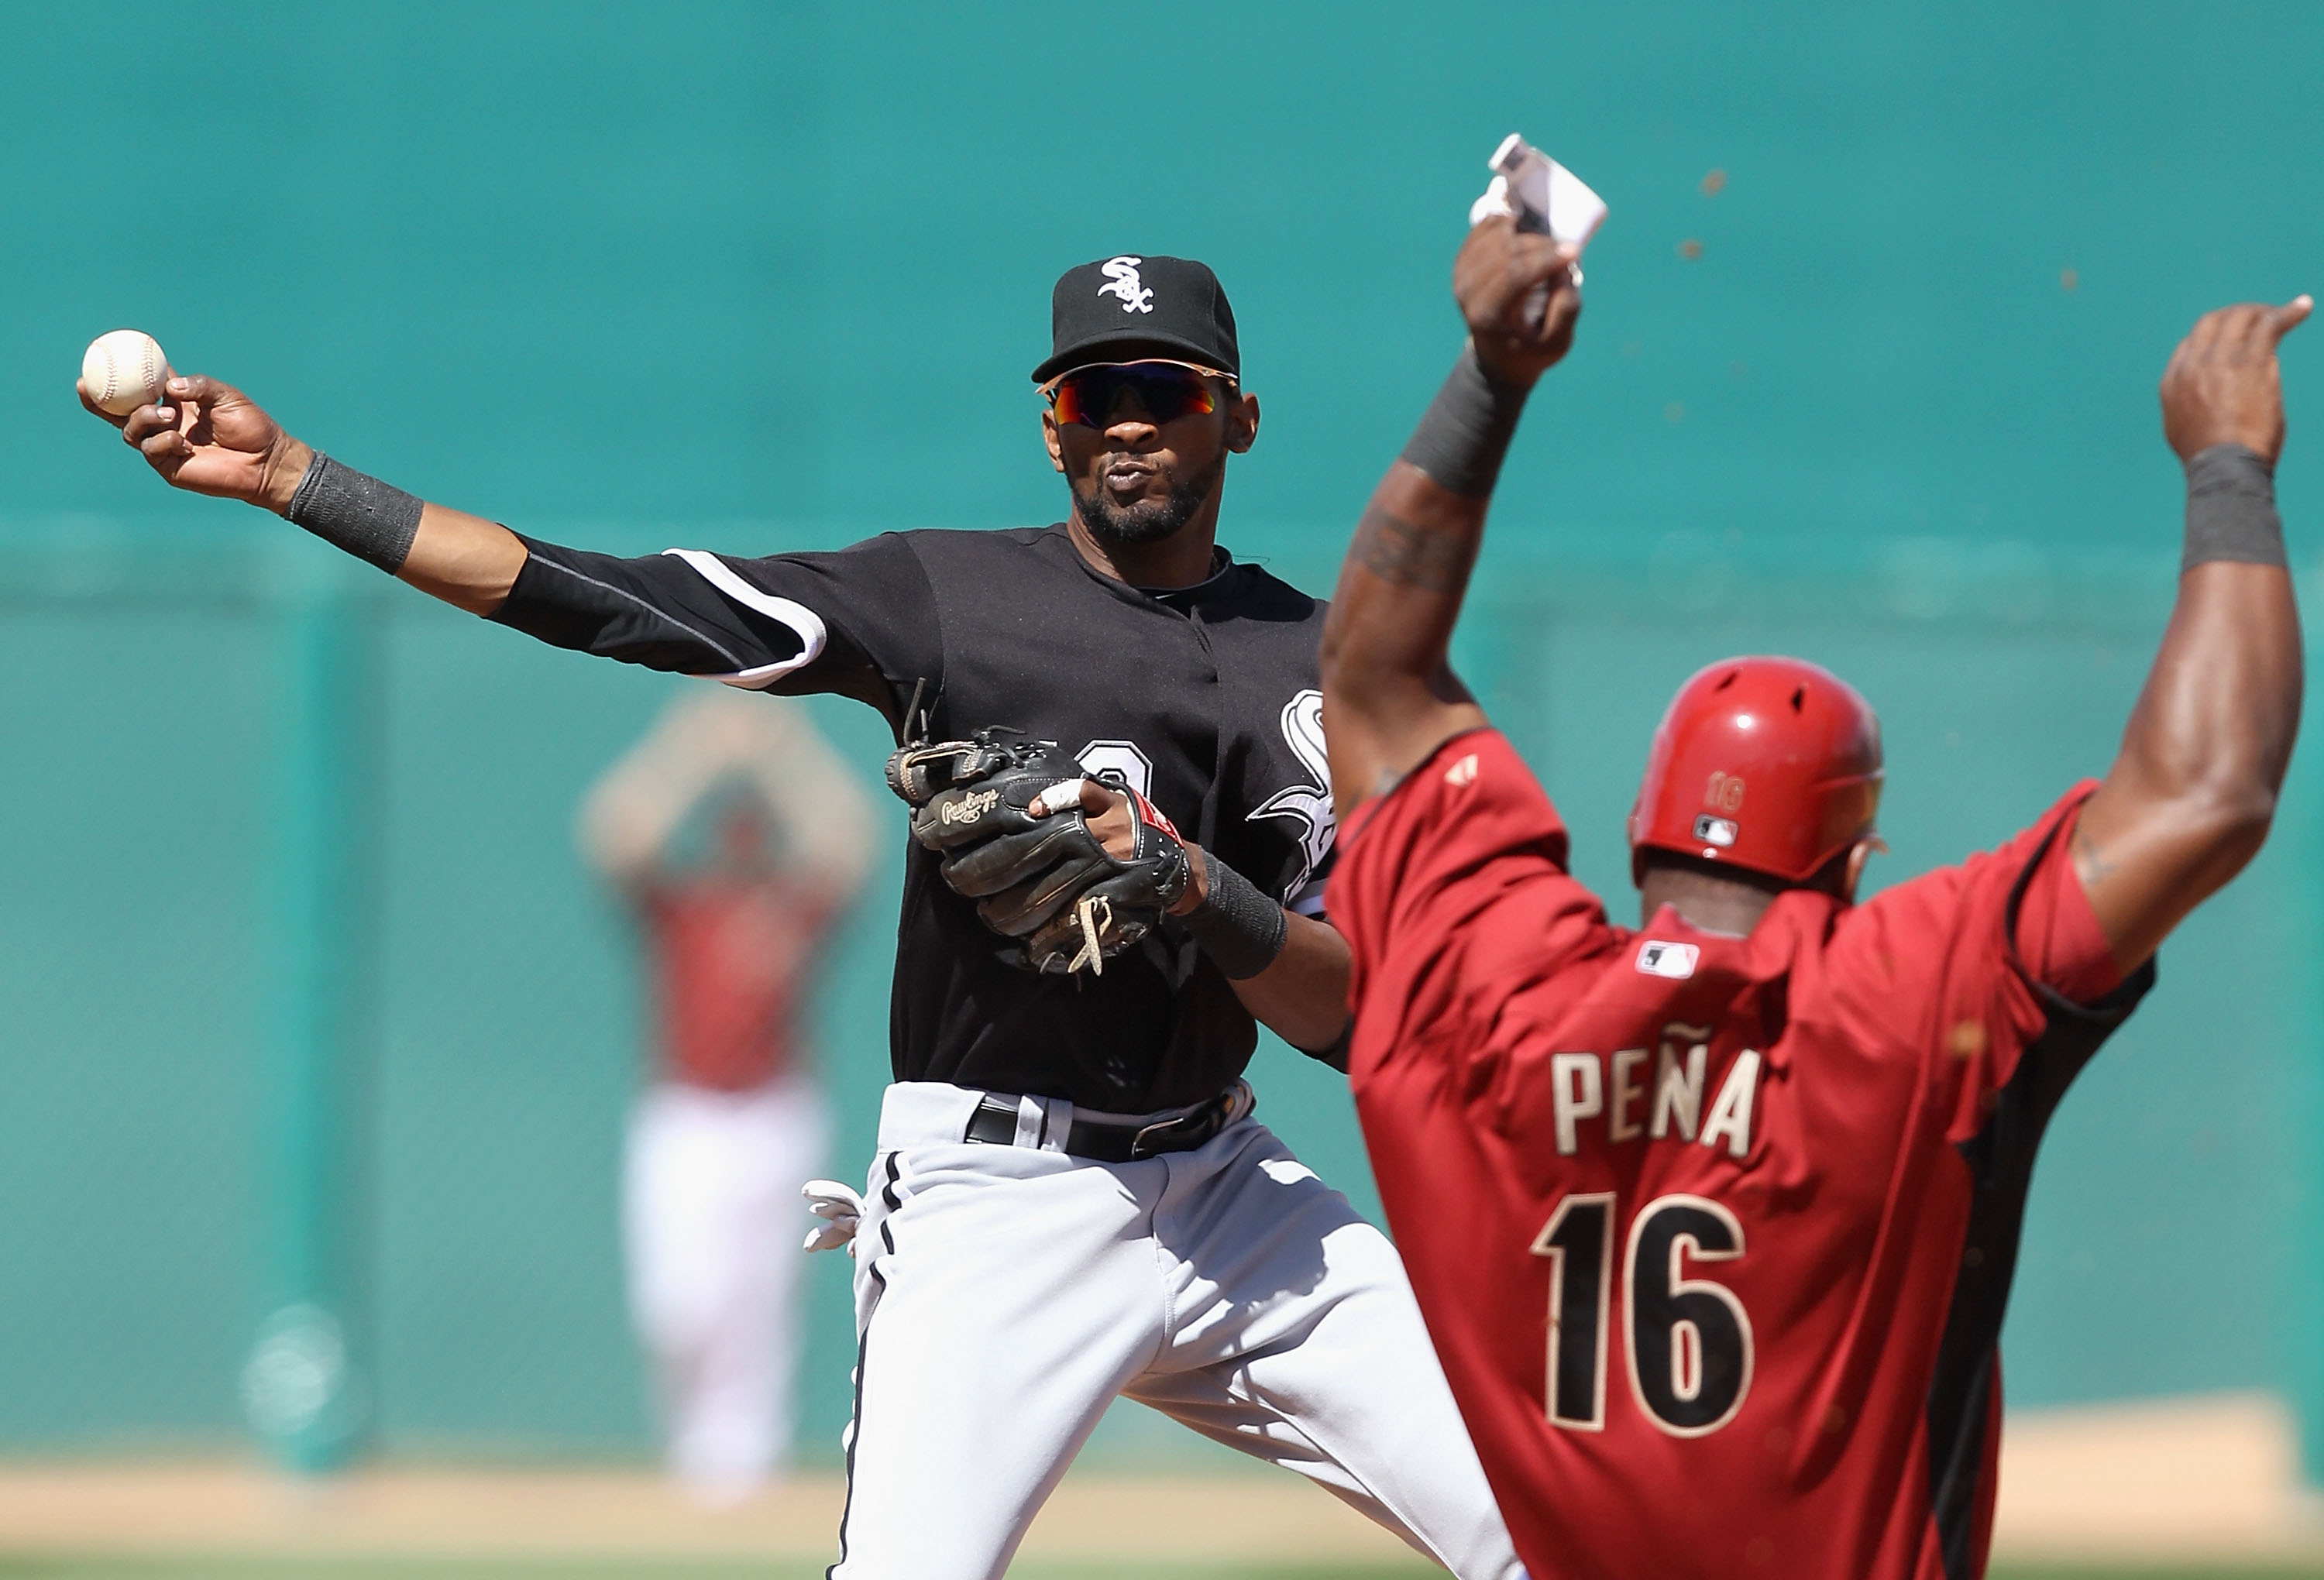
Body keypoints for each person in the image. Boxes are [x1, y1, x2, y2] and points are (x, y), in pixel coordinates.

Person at [81, 254, 1523, 1580]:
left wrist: (1194, 887)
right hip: (996, 1204)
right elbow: (613, 602)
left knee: (1544, 1515)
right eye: (1095, 392)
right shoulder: (947, 600)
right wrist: (298, 482)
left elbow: (1356, 1020)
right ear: (1051, 427)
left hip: (1227, 1189)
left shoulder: (1316, 663)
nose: (1129, 423)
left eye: (1166, 391)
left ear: (1239, 419)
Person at [1315, 205, 2309, 1580]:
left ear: (1643, 837)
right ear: (1846, 862)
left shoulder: (1488, 997)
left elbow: (1369, 681)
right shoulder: (1897, 1001)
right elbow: (2211, 795)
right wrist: (2229, 469)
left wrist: (1490, 378)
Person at [579, 689, 873, 1502]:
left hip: (777, 1113)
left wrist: (785, 753)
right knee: (677, 1301)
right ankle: (697, 1451)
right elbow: (611, 834)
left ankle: (741, 1473)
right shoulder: (685, 906)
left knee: (758, 1301)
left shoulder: (791, 904)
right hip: (685, 1116)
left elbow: (851, 840)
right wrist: (692, 749)